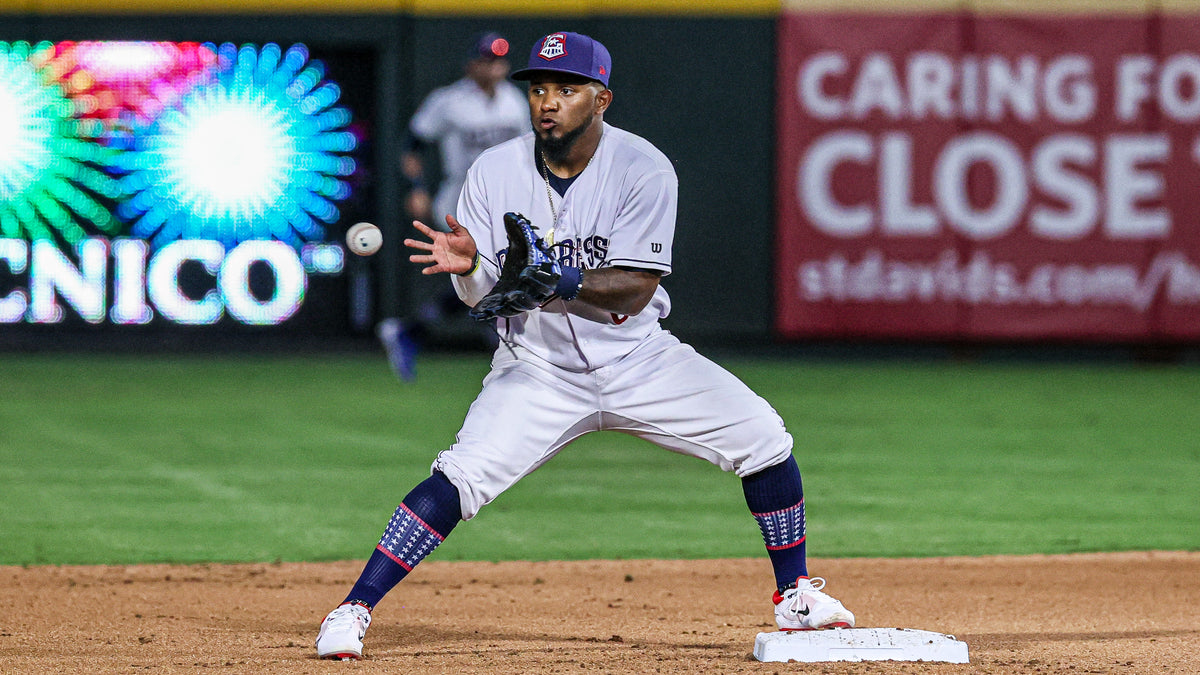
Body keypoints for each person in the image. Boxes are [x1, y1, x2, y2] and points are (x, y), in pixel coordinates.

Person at [316, 31, 855, 660]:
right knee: (458, 478)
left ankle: (796, 594)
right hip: (536, 366)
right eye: (539, 88)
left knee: (764, 438)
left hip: (639, 359)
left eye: (566, 89)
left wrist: (561, 276)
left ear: (600, 98)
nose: (548, 101)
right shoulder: (492, 172)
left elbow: (633, 290)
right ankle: (353, 609)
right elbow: (480, 299)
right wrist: (468, 268)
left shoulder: (643, 168)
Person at [376, 31, 527, 381]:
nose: (495, 67)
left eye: (500, 60)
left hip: (502, 204)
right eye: (488, 60)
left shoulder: (514, 101)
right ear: (472, 64)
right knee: (489, 275)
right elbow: (411, 145)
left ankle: (408, 332)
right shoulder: (450, 101)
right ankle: (503, 347)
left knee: (485, 279)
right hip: (461, 200)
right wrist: (415, 188)